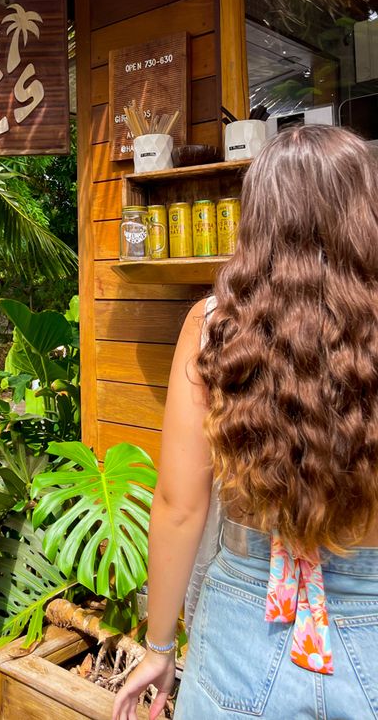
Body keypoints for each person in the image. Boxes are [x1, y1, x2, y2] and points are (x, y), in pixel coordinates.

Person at [113, 125, 378, 720]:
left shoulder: (213, 325)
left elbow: (180, 506)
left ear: (257, 218)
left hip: (242, 622)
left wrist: (159, 647)